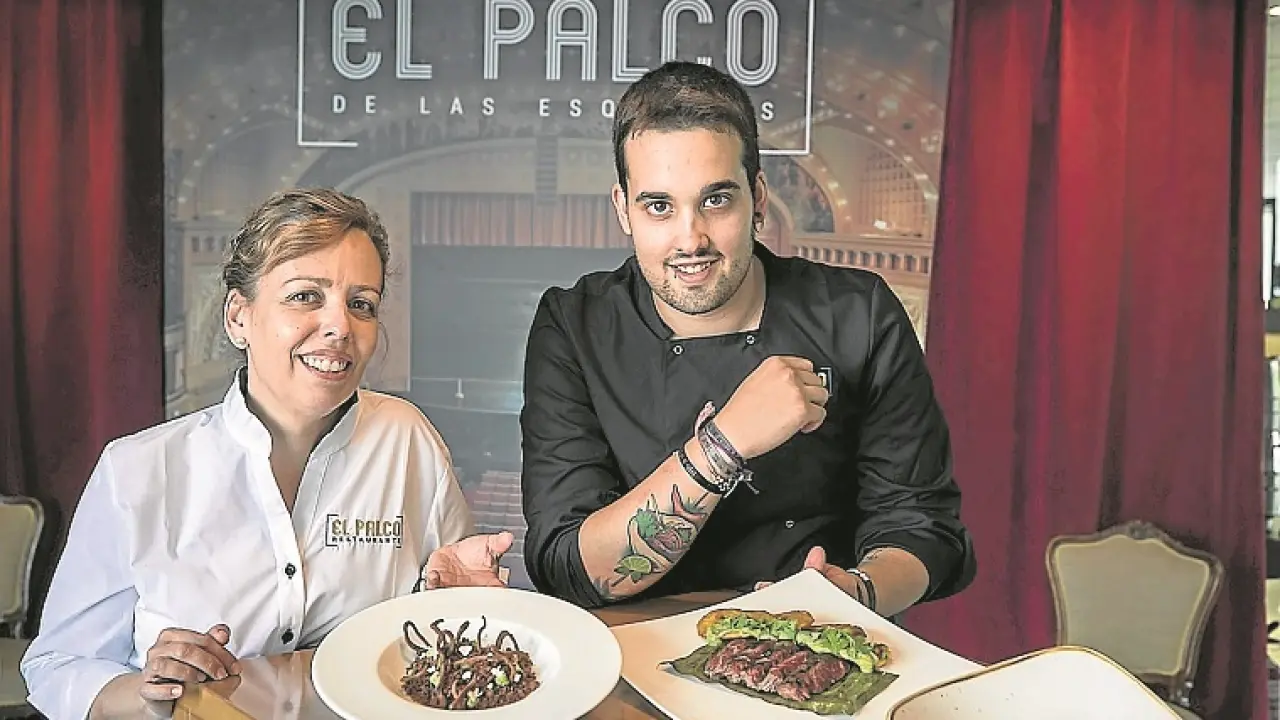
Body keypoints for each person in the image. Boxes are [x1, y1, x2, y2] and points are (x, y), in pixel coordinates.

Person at [21, 188, 512, 719]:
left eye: (361, 304)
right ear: (239, 317)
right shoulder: (136, 471)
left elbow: (448, 629)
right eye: (305, 296)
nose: (340, 327)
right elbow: (57, 666)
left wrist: (460, 606)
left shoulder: (407, 439)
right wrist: (147, 694)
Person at [518, 62, 975, 614]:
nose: (691, 239)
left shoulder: (858, 313)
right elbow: (567, 567)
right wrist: (722, 445)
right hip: (635, 646)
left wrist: (857, 593)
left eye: (716, 200)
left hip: (820, 638)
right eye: (659, 206)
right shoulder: (574, 326)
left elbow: (923, 526)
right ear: (623, 209)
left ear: (758, 198)